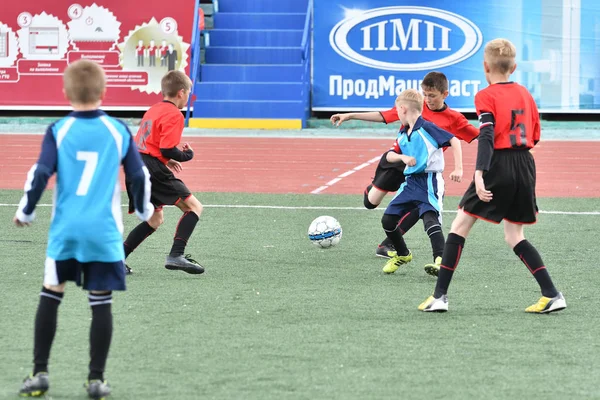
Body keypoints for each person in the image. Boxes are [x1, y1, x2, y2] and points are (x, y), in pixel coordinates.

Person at [14, 59, 153, 398]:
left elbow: (40, 173)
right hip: (103, 232)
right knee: (100, 302)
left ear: (65, 93)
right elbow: (138, 175)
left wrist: (27, 211)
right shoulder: (117, 130)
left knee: (51, 293)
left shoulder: (59, 130)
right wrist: (145, 209)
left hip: (66, 230)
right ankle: (96, 380)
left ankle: (40, 373)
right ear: (104, 92)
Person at [418, 38, 566, 313]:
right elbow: (534, 136)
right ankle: (552, 293)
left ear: (485, 67)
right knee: (514, 234)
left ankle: (439, 297)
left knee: (459, 226)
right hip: (525, 164)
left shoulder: (485, 96)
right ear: (515, 67)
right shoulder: (526, 94)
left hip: (498, 163)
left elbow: (486, 136)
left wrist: (479, 172)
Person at [330, 72, 478, 275]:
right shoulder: (413, 107)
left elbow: (478, 136)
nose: (428, 99)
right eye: (425, 94)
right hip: (397, 161)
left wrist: (510, 147)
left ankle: (391, 246)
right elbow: (384, 116)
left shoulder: (454, 119)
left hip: (421, 170)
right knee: (370, 203)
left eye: (432, 95)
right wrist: (350, 115)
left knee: (424, 208)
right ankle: (375, 195)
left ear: (445, 94)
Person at [123, 70, 204, 275]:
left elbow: (150, 144)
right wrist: (187, 155)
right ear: (181, 92)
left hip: (136, 165)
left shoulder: (153, 109)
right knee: (194, 207)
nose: (188, 97)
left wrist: (165, 161)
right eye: (188, 93)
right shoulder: (175, 114)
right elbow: (168, 148)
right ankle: (176, 255)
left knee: (154, 220)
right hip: (151, 169)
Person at [380, 89, 463, 276]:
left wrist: (458, 168)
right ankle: (403, 254)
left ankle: (440, 260)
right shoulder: (403, 131)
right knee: (387, 220)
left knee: (430, 219)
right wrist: (402, 157)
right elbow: (389, 155)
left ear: (402, 109)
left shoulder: (427, 127)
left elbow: (454, 140)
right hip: (410, 184)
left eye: (396, 110)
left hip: (429, 181)